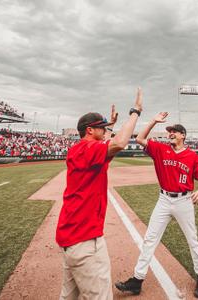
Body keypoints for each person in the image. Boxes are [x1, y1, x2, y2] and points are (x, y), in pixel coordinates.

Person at [55, 88, 143, 300]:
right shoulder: (87, 150)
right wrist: (135, 112)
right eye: (101, 128)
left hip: (71, 239)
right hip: (85, 241)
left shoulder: (83, 151)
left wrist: (109, 126)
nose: (105, 131)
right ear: (89, 130)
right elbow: (119, 143)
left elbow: (109, 144)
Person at [115, 112, 198, 298]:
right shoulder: (160, 149)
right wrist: (153, 121)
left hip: (184, 200)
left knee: (192, 239)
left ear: (183, 135)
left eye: (174, 131)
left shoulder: (192, 156)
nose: (171, 134)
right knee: (150, 238)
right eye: (169, 132)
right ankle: (137, 280)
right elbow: (140, 138)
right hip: (164, 200)